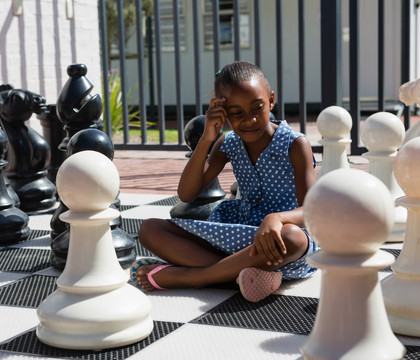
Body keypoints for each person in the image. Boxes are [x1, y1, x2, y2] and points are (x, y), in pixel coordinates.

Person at [130, 61, 319, 302]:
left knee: (294, 237)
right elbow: (187, 194)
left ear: (271, 100)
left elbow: (312, 211)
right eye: (236, 113)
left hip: (276, 244)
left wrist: (277, 218)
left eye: (257, 108)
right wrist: (208, 137)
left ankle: (194, 277)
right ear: (223, 111)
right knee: (150, 229)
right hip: (237, 238)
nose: (249, 120)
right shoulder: (228, 144)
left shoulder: (295, 144)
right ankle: (242, 275)